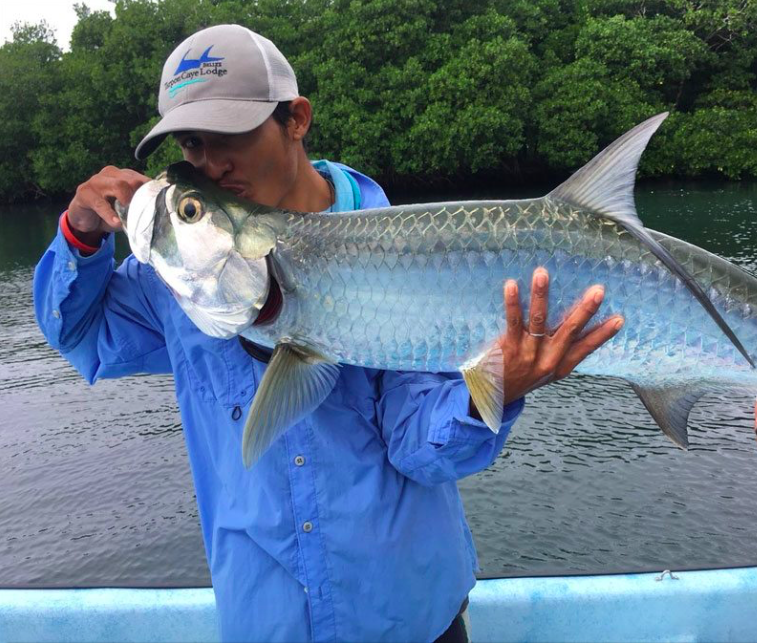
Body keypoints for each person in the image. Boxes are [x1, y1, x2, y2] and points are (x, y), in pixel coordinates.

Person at [33, 24, 623, 643]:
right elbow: (80, 334)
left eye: (232, 133)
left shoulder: (408, 257)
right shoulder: (181, 276)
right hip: (267, 624)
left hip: (409, 619)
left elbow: (420, 449)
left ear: (296, 119)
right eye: (192, 143)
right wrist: (80, 234)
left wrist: (499, 386)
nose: (212, 162)